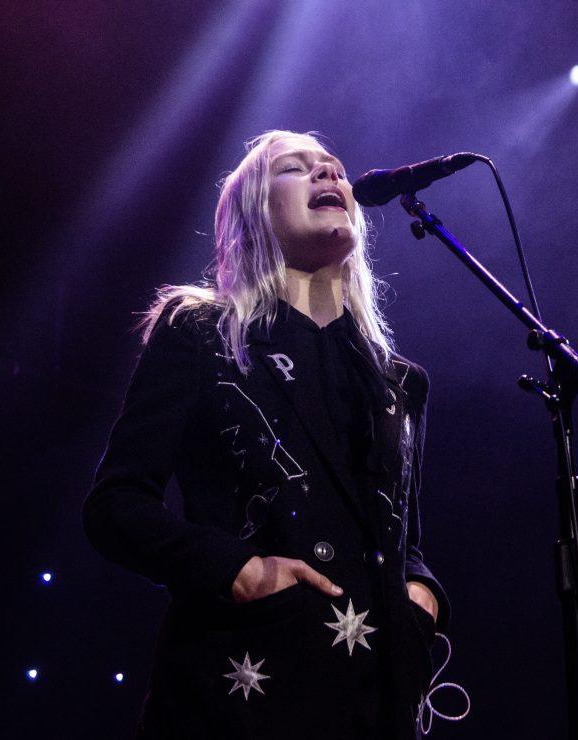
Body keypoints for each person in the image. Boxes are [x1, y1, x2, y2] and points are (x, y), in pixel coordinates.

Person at [83, 130, 450, 739]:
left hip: (374, 704)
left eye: (332, 166)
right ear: (254, 210)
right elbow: (115, 506)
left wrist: (423, 597)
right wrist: (241, 569)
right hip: (241, 693)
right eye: (296, 168)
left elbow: (404, 535)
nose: (328, 172)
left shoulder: (399, 382)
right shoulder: (203, 333)